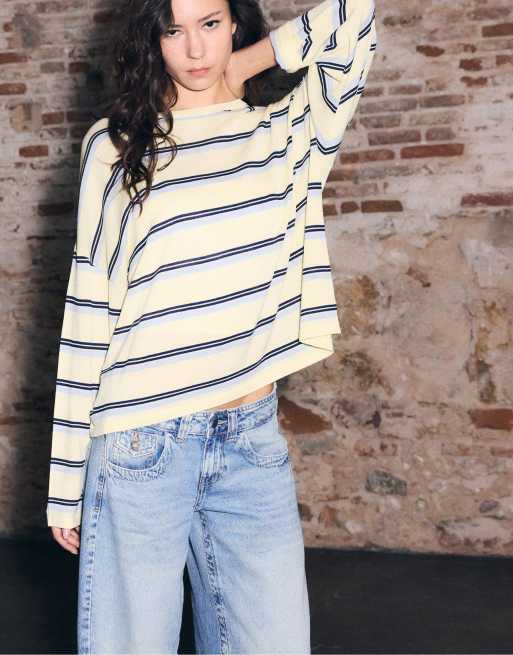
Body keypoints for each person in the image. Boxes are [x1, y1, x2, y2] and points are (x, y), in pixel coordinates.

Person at [47, 0, 377, 651]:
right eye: (173, 30)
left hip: (250, 441)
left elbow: (355, 16)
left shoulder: (287, 131)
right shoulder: (116, 146)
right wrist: (65, 482)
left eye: (210, 24)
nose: (194, 50)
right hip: (140, 443)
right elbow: (88, 307)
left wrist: (243, 66)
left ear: (235, 23)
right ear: (151, 39)